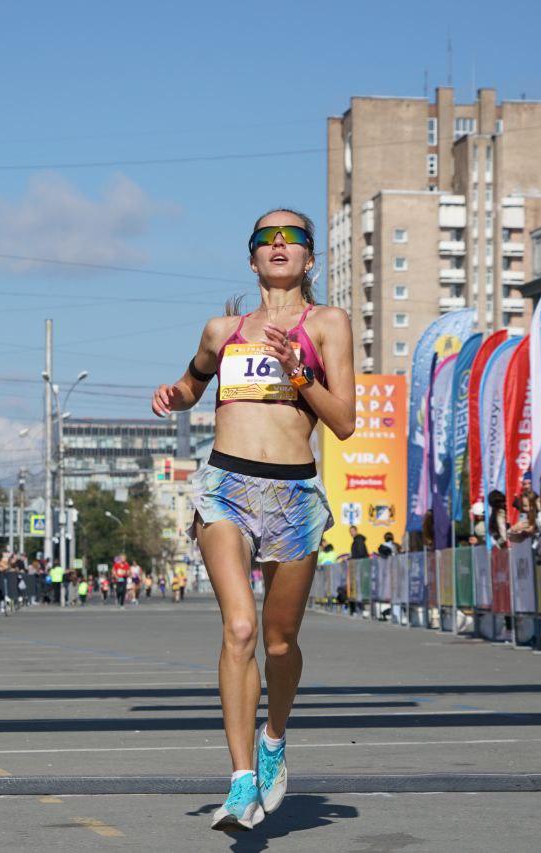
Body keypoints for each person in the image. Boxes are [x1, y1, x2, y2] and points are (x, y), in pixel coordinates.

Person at [151, 208, 353, 831]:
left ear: (310, 259)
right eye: (268, 237)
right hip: (226, 486)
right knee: (239, 628)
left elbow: (343, 421)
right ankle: (240, 781)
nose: (280, 244)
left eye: (293, 237)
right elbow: (193, 381)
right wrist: (174, 396)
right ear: (252, 257)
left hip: (294, 494)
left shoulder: (327, 324)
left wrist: (298, 372)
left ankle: (273, 738)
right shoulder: (223, 330)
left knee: (279, 642)